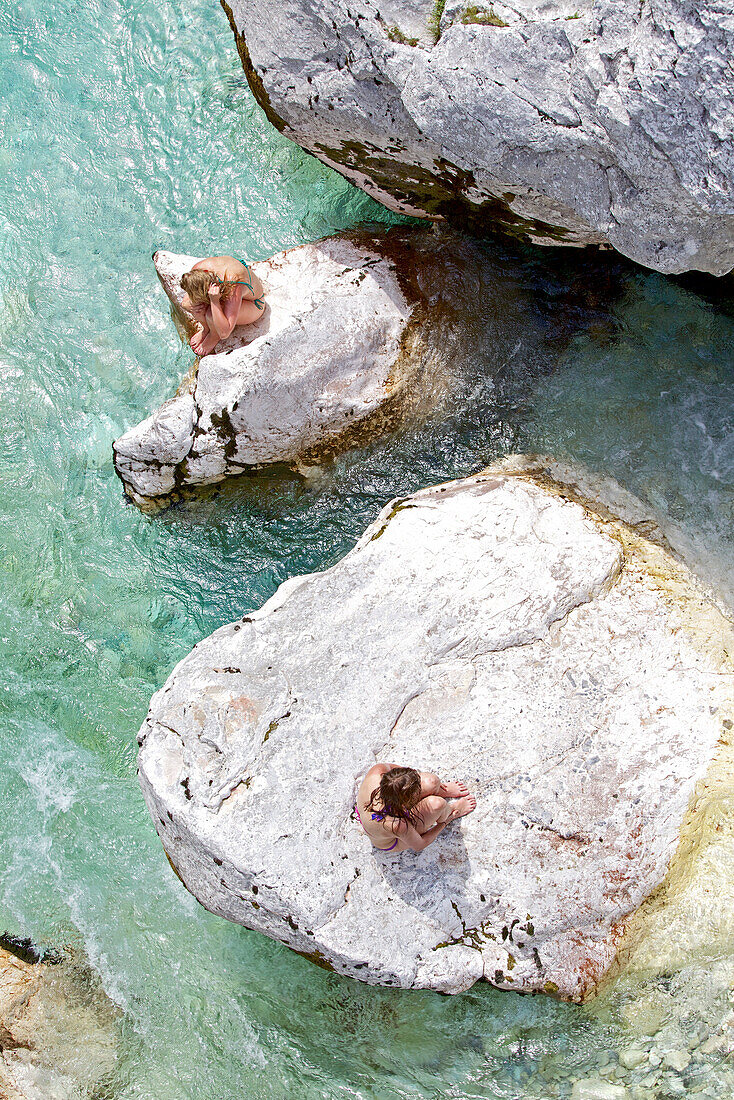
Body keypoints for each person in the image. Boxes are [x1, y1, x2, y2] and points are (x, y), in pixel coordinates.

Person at [354, 763, 476, 854]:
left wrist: (436, 786)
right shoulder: (397, 825)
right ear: (408, 800)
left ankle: (442, 790)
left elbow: (399, 775)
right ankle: (450, 811)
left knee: (432, 781)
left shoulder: (378, 771)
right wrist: (444, 822)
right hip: (392, 841)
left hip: (384, 804)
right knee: (437, 804)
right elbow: (420, 844)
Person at [180, 256, 265, 357]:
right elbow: (186, 302)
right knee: (193, 306)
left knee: (211, 314)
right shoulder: (199, 270)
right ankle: (206, 329)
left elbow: (225, 332)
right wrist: (190, 304)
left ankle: (214, 336)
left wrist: (214, 301)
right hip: (224, 294)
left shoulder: (233, 283)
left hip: (253, 304)